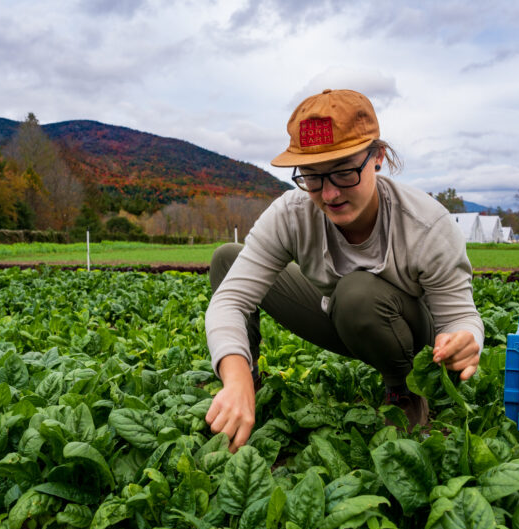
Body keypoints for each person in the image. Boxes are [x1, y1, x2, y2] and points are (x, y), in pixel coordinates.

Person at [205, 88, 483, 451]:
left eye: (344, 173)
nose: (330, 194)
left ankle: (403, 392)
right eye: (312, 177)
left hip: (413, 339)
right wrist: (236, 374)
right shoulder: (292, 213)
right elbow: (229, 302)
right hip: (340, 317)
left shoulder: (426, 225)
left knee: (357, 293)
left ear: (378, 157)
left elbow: (461, 316)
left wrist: (464, 341)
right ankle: (246, 391)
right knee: (228, 259)